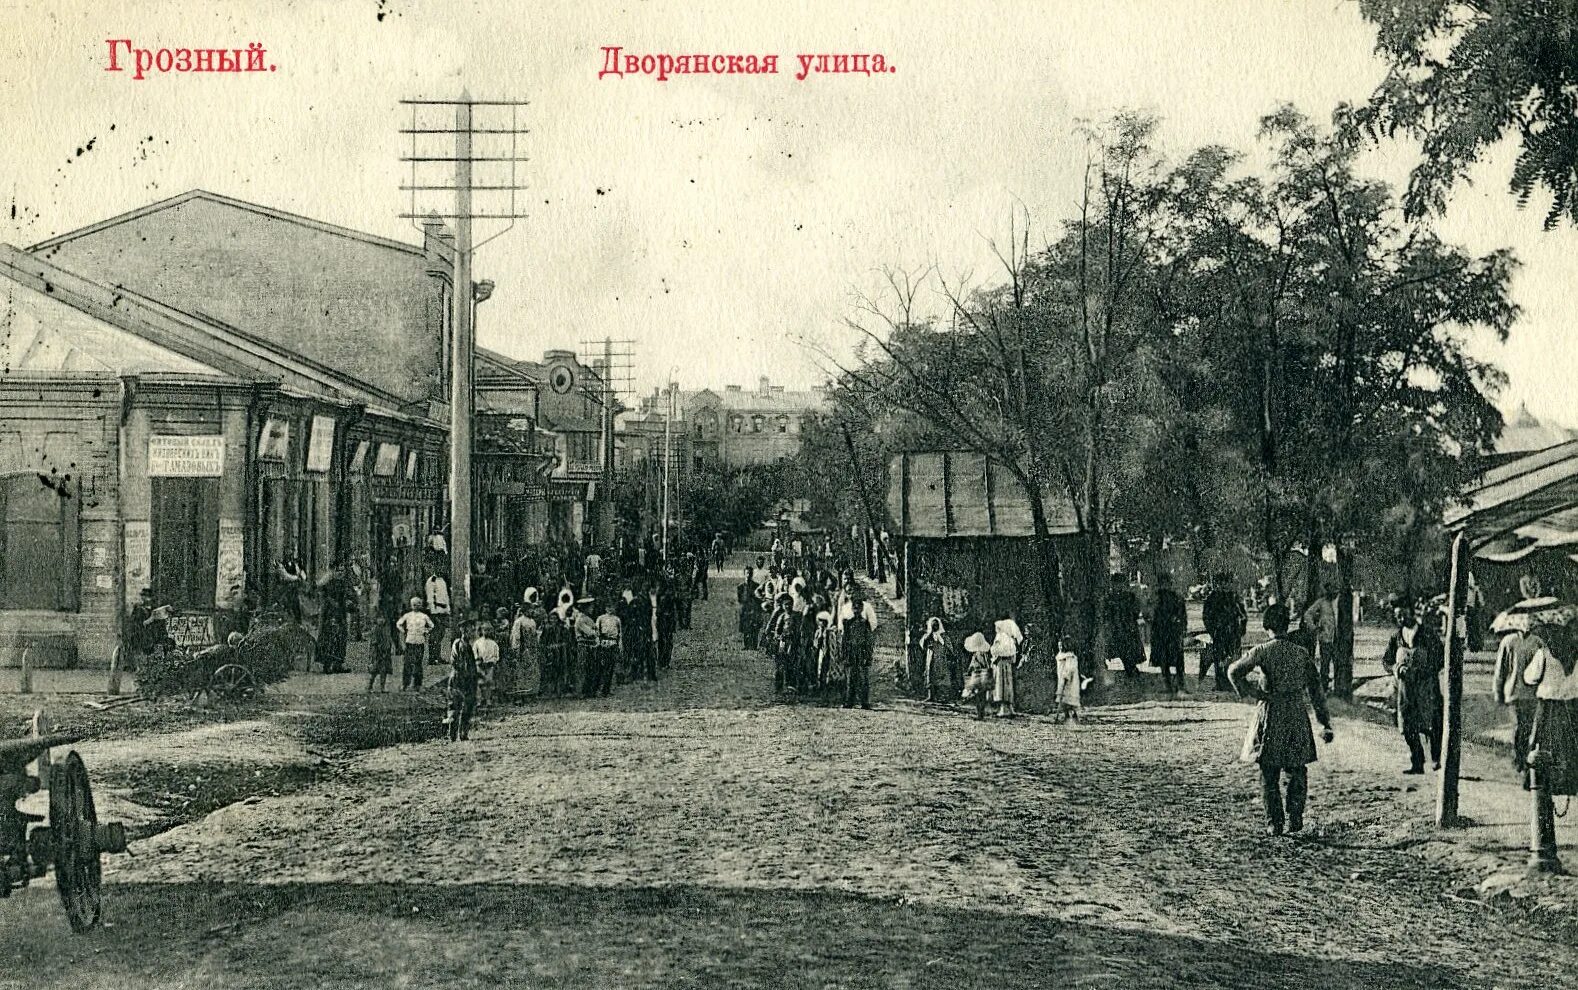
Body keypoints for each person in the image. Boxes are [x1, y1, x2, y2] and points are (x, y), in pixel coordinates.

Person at [1228, 603, 1334, 836]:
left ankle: (1274, 822)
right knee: (1297, 768)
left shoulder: (1262, 650)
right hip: (1296, 712)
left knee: (1269, 770)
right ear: (1286, 626)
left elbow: (1233, 672)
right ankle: (1295, 816)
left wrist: (1251, 693)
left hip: (1271, 712)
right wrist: (1324, 722)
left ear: (1267, 627)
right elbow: (1316, 691)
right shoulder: (1301, 653)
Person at [1383, 602, 1444, 775]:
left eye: (1404, 614)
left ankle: (1436, 759)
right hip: (1406, 689)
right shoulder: (1396, 637)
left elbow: (1440, 658)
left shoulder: (1428, 634)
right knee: (1408, 725)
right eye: (1398, 616)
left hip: (1427, 687)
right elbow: (1386, 661)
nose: (1401, 618)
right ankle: (1417, 762)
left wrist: (1423, 670)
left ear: (1412, 612)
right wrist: (1397, 668)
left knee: (1431, 723)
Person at [1521, 622, 1578, 797]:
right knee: (1568, 743)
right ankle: (1568, 782)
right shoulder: (1575, 654)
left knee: (1542, 741)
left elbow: (1530, 677)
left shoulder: (1543, 653)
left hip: (1547, 704)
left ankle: (1541, 780)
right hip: (1570, 705)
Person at [1493, 621, 1546, 785]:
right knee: (1519, 727)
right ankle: (1520, 759)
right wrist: (1498, 691)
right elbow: (1500, 669)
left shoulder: (1538, 642)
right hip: (1513, 692)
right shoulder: (1508, 642)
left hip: (1533, 693)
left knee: (1530, 729)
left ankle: (1526, 763)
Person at [1201, 572, 1246, 691]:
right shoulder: (1212, 599)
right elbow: (1206, 616)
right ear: (1217, 584)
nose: (1225, 586)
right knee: (1220, 657)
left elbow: (1243, 613)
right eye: (1222, 583)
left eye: (1227, 583)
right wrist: (1212, 630)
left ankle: (1233, 681)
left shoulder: (1234, 597)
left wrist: (1242, 627)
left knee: (1234, 656)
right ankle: (1221, 682)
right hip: (1219, 632)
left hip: (1234, 631)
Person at [839, 583, 878, 710]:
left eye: (858, 608)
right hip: (851, 651)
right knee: (850, 677)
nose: (856, 610)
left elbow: (869, 640)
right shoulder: (847, 623)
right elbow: (845, 639)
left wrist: (868, 654)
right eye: (854, 608)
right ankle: (849, 701)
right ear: (852, 609)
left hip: (862, 651)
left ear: (862, 609)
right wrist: (844, 653)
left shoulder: (865, 624)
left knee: (863, 677)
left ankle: (864, 702)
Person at [1150, 573, 1188, 695]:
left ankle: (1180, 684)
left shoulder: (1176, 598)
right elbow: (1150, 614)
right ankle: (1168, 684)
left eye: (1167, 584)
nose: (1165, 586)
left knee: (1177, 659)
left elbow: (1182, 615)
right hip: (1160, 632)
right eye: (1163, 584)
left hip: (1173, 632)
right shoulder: (1156, 598)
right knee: (1163, 659)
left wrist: (1182, 627)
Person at [1103, 573, 1145, 680]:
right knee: (1121, 649)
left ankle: (1131, 669)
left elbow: (1136, 610)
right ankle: (1131, 669)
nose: (1117, 586)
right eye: (1115, 583)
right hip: (1117, 628)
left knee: (1128, 650)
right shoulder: (1110, 598)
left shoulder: (1129, 597)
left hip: (1127, 627)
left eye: (1119, 583)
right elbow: (1106, 613)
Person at [446, 619, 480, 742]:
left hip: (460, 677)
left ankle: (456, 734)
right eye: (471, 630)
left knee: (458, 706)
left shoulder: (461, 644)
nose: (473, 633)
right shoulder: (461, 645)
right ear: (465, 631)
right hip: (461, 678)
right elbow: (461, 664)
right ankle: (458, 734)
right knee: (462, 705)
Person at [1300, 586, 1339, 692]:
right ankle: (1324, 689)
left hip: (1339, 639)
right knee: (1325, 665)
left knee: (1338, 664)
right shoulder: (1321, 602)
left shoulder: (1340, 602)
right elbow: (1308, 614)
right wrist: (1314, 628)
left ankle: (1337, 689)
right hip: (1325, 638)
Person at [316, 561, 350, 674]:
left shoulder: (344, 583)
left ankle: (338, 664)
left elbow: (349, 596)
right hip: (330, 614)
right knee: (330, 638)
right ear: (334, 571)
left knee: (342, 636)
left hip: (341, 613)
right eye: (339, 570)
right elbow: (324, 595)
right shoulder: (328, 584)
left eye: (343, 570)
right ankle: (327, 664)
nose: (341, 573)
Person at [990, 611, 1024, 718]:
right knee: (1008, 685)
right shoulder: (1009, 639)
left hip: (1000, 664)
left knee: (1001, 685)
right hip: (1007, 664)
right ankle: (1010, 708)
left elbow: (998, 651)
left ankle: (1003, 708)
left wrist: (995, 657)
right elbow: (1012, 654)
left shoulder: (1001, 637)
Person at [396, 597, 433, 691]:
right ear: (411, 605)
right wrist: (403, 631)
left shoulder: (424, 616)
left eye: (418, 604)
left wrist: (426, 631)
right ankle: (405, 684)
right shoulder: (407, 615)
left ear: (420, 605)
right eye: (414, 604)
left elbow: (432, 625)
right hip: (410, 641)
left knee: (418, 663)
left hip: (420, 641)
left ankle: (418, 685)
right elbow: (398, 624)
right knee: (407, 663)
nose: (416, 606)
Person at [510, 601, 542, 697]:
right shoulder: (519, 621)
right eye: (529, 610)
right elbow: (516, 637)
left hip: (532, 648)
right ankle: (521, 694)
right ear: (524, 611)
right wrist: (516, 650)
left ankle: (531, 692)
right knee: (521, 671)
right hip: (523, 649)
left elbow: (535, 636)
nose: (532, 612)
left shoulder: (532, 621)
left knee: (532, 670)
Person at [961, 631, 993, 720]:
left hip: (979, 674)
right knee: (980, 695)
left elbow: (977, 664)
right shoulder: (982, 653)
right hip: (980, 674)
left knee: (979, 696)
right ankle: (980, 714)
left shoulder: (980, 654)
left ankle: (980, 715)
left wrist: (969, 670)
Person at [919, 616, 950, 704]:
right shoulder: (928, 635)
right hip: (931, 657)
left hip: (940, 658)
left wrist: (940, 639)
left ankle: (941, 696)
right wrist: (928, 637)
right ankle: (930, 696)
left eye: (936, 625)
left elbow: (948, 646)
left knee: (940, 676)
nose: (934, 627)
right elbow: (922, 644)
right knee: (930, 675)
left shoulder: (943, 635)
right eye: (933, 625)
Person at [425, 571, 452, 666]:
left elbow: (446, 597)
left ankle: (438, 656)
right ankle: (432, 658)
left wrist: (448, 610)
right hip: (436, 611)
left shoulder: (443, 580)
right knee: (434, 635)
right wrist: (433, 614)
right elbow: (430, 598)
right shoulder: (431, 581)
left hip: (443, 611)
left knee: (441, 634)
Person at [1054, 637, 1085, 723]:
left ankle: (1074, 715)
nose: (1060, 647)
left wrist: (1065, 677)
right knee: (1063, 699)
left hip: (1069, 680)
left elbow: (1070, 669)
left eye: (1061, 645)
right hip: (1061, 678)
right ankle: (1066, 715)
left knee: (1069, 698)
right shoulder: (1061, 655)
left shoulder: (1070, 657)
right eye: (1059, 646)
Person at [596, 599, 622, 697]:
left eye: (612, 607)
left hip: (613, 643)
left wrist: (619, 645)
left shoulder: (617, 619)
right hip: (603, 643)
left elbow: (620, 633)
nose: (610, 609)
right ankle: (599, 689)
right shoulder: (600, 618)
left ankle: (607, 689)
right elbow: (597, 631)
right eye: (608, 607)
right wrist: (599, 643)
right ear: (605, 608)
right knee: (602, 667)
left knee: (611, 667)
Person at [473, 620, 500, 710]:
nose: (487, 632)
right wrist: (478, 660)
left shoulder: (493, 643)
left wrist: (491, 662)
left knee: (488, 682)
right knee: (480, 683)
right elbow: (475, 653)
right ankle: (479, 700)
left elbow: (496, 656)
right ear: (481, 631)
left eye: (489, 630)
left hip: (489, 666)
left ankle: (488, 700)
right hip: (480, 665)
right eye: (485, 630)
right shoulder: (477, 642)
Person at [367, 613, 394, 693]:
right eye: (379, 618)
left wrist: (391, 647)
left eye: (383, 618)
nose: (381, 620)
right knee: (374, 671)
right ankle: (370, 686)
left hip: (386, 652)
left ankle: (382, 687)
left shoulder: (387, 629)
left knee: (384, 671)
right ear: (376, 620)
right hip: (377, 653)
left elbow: (389, 639)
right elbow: (374, 642)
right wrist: (375, 651)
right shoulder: (375, 629)